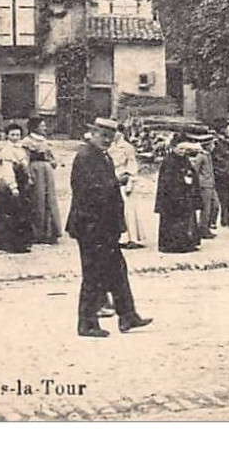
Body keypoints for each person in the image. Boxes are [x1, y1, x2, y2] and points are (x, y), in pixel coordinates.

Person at [65, 119, 151, 338]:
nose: (106, 141)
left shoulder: (101, 156)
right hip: (91, 226)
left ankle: (128, 316)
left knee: (117, 271)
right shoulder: (85, 157)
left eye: (110, 138)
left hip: (104, 227)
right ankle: (87, 323)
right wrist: (117, 182)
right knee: (93, 274)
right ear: (92, 133)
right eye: (103, 136)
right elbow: (90, 191)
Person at [0, 124, 34, 253]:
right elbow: (7, 171)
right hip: (10, 185)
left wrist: (28, 178)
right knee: (10, 214)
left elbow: (25, 167)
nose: (15, 137)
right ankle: (8, 244)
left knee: (21, 214)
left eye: (18, 135)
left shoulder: (21, 149)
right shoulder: (7, 151)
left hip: (21, 184)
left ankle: (21, 243)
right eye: (12, 135)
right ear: (8, 135)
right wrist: (13, 187)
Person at [154, 137, 201, 253]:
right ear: (173, 148)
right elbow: (167, 181)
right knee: (171, 221)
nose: (182, 151)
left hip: (183, 195)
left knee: (183, 221)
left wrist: (190, 178)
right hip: (171, 197)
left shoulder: (185, 159)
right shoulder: (168, 161)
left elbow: (191, 173)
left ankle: (184, 243)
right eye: (180, 148)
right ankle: (170, 245)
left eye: (184, 149)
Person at [22, 119, 62, 245]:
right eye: (42, 126)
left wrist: (53, 162)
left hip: (47, 171)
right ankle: (37, 233)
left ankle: (50, 233)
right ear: (35, 127)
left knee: (49, 198)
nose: (45, 128)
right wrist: (27, 174)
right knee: (37, 199)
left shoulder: (44, 141)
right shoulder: (27, 141)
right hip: (36, 170)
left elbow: (51, 157)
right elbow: (25, 158)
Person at [110, 122, 145, 249]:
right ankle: (119, 237)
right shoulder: (109, 146)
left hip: (125, 180)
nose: (115, 135)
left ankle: (133, 238)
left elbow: (132, 164)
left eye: (117, 132)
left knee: (128, 210)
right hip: (112, 179)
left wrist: (131, 179)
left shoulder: (127, 147)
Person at [210, 117, 229, 227]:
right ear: (221, 129)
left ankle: (226, 218)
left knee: (227, 198)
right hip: (220, 175)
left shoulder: (225, 143)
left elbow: (228, 158)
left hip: (227, 174)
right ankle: (212, 221)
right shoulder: (215, 142)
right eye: (227, 128)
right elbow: (214, 159)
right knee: (216, 199)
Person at [190, 129, 219, 238]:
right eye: (212, 144)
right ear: (207, 145)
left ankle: (208, 225)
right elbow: (195, 170)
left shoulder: (208, 155)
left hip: (211, 184)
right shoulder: (201, 156)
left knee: (215, 205)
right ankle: (203, 229)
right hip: (204, 185)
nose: (214, 146)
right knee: (206, 209)